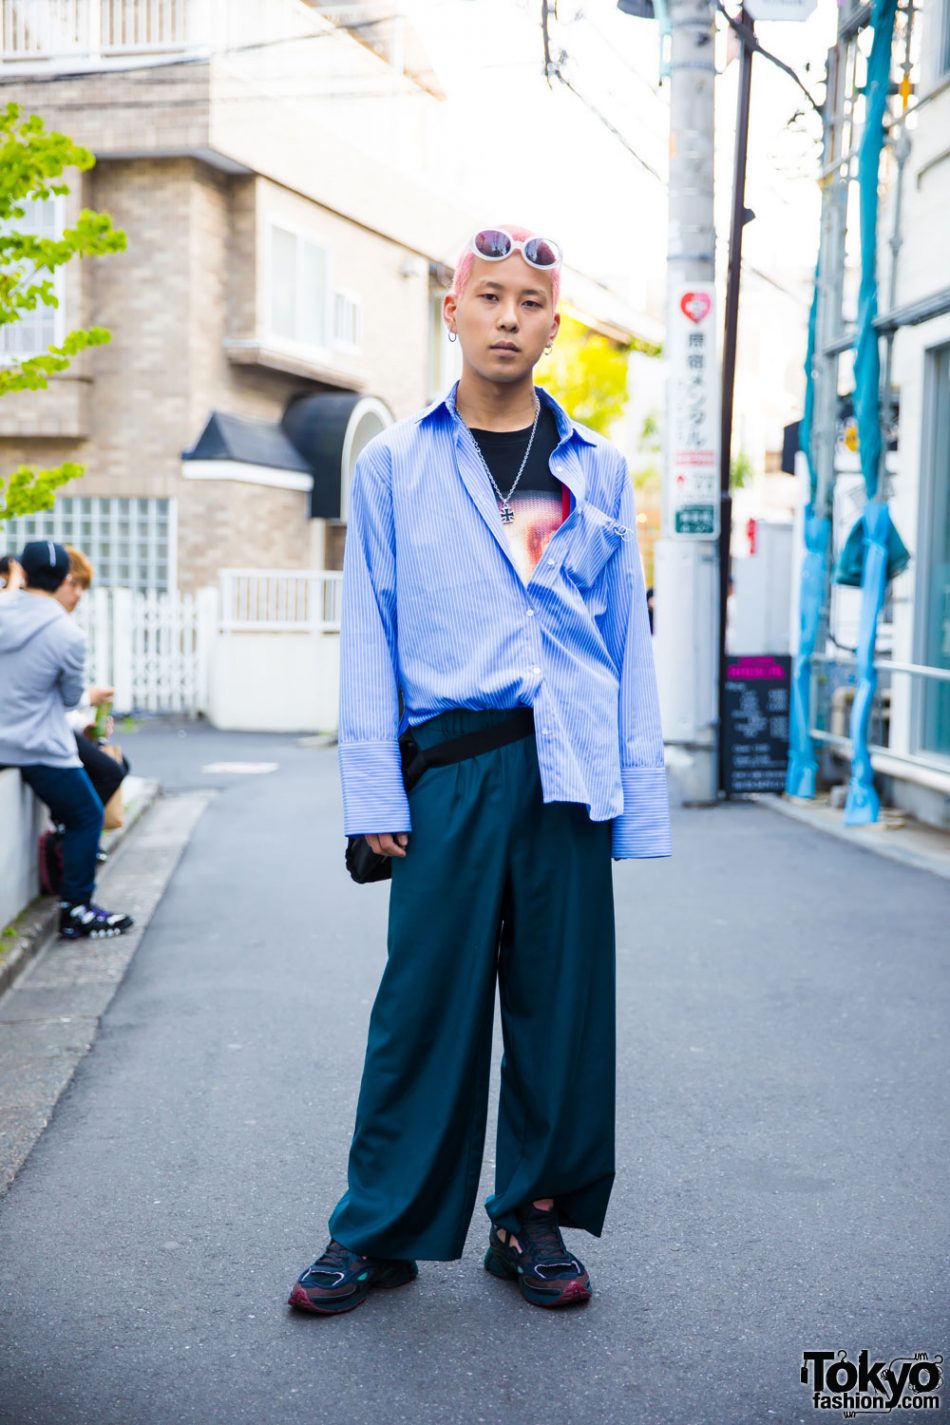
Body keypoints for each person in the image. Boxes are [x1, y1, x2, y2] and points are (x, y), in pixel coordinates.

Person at [288, 225, 671, 1318]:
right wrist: (373, 795)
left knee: (562, 1007)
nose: (508, 317)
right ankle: (379, 1229)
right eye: (488, 296)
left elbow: (620, 640)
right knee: (422, 1005)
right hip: (448, 764)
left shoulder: (589, 467)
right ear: (451, 311)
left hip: (564, 767)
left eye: (530, 302)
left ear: (555, 327)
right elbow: (368, 626)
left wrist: (629, 797)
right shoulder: (396, 464)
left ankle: (530, 1219)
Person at [0, 539, 134, 940]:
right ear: (63, 578)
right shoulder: (67, 634)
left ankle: (71, 891)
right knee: (86, 816)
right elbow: (69, 697)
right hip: (39, 744)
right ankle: (76, 909)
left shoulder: (2, 612)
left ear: (23, 570)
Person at [54, 546, 129, 845]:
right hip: (39, 731)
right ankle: (69, 837)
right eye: (77, 585)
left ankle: (70, 834)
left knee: (117, 766)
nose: (79, 595)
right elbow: (58, 695)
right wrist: (89, 697)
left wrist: (85, 725)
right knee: (108, 772)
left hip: (54, 724)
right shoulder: (52, 627)